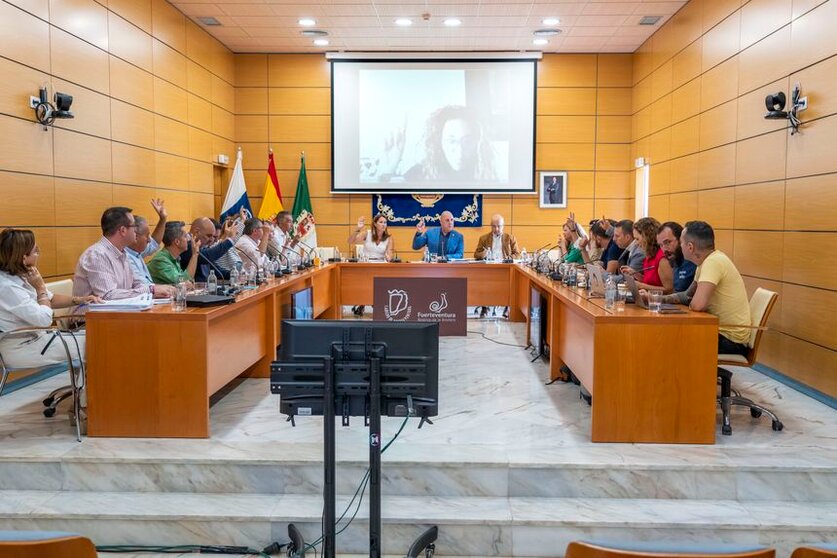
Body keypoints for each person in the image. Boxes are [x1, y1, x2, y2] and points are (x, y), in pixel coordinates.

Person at [0, 229, 99, 368]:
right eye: (36, 251)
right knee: (96, 344)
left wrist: (81, 299)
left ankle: (84, 385)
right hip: (23, 348)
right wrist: (40, 288)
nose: (38, 255)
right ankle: (94, 387)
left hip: (38, 339)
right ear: (24, 258)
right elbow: (45, 319)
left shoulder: (20, 275)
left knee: (96, 337)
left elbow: (50, 299)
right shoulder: (7, 287)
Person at [664, 221, 751, 356]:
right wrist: (656, 299)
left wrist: (691, 301)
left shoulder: (713, 263)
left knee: (670, 339)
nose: (680, 247)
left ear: (690, 247)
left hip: (730, 339)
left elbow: (697, 305)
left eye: (681, 243)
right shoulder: (704, 262)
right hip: (719, 332)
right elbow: (687, 295)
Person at [74, 207, 174, 300]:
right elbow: (108, 296)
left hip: (118, 314)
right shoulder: (97, 255)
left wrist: (157, 289)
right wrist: (150, 291)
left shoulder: (123, 252)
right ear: (123, 230)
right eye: (134, 226)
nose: (136, 230)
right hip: (88, 317)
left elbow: (138, 283)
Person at [402, 105, 497, 182]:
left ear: (478, 142)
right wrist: (389, 173)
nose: (459, 151)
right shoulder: (417, 175)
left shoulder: (486, 175)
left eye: (467, 141)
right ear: (439, 142)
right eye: (451, 141)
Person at [474, 214, 520, 318]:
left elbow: (518, 254)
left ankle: (507, 306)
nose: (496, 229)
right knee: (484, 281)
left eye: (499, 226)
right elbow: (476, 254)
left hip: (505, 268)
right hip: (489, 268)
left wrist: (509, 258)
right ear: (491, 226)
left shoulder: (510, 238)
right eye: (494, 226)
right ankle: (485, 307)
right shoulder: (484, 238)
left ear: (503, 226)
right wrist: (484, 254)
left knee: (511, 281)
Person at [180, 215, 242, 282]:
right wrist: (230, 240)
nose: (211, 240)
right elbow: (208, 255)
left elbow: (216, 271)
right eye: (209, 236)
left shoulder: (202, 247)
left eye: (213, 236)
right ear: (197, 232)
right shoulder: (186, 246)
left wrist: (234, 274)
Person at [625, 217, 673, 293]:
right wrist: (636, 274)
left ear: (647, 238)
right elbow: (651, 282)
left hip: (660, 302)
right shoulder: (649, 255)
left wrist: (641, 285)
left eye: (637, 239)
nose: (636, 243)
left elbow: (669, 290)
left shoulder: (662, 257)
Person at [125, 199, 168, 285]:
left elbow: (154, 244)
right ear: (135, 236)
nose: (149, 240)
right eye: (147, 235)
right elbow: (143, 287)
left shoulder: (135, 251)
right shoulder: (125, 258)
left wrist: (163, 219)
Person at [657, 221, 696, 293]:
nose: (664, 249)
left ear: (680, 240)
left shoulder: (694, 262)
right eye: (661, 245)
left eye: (667, 242)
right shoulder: (675, 260)